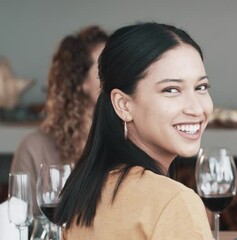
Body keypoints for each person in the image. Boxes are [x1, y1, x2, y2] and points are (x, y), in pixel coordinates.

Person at [54, 22, 214, 239]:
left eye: (201, 87)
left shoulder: (84, 194)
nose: (196, 108)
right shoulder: (174, 202)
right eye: (171, 90)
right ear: (123, 105)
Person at [10, 25, 108, 216]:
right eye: (104, 68)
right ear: (80, 81)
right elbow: (22, 224)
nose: (117, 76)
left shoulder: (126, 140)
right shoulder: (33, 148)